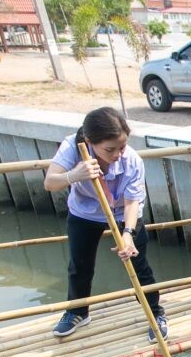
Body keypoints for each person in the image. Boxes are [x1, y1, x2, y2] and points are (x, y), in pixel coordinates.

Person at [44, 108, 167, 341]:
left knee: (138, 264)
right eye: (110, 149)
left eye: (122, 147)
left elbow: (132, 202)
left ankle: (155, 313)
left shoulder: (132, 160)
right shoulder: (73, 147)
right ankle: (78, 312)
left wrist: (129, 233)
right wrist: (74, 175)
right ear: (90, 142)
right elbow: (50, 182)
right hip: (85, 212)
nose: (118, 154)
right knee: (79, 265)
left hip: (123, 213)